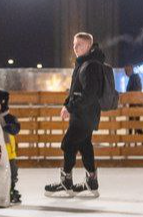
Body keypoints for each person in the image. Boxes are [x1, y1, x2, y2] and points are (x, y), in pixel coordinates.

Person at [45, 32, 105, 198]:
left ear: (87, 46)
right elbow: (75, 90)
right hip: (83, 114)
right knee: (85, 146)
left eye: (78, 45)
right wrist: (67, 104)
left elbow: (89, 94)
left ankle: (66, 182)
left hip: (84, 115)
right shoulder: (84, 63)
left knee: (68, 144)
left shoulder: (91, 65)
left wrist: (70, 107)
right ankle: (91, 182)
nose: (75, 48)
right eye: (74, 44)